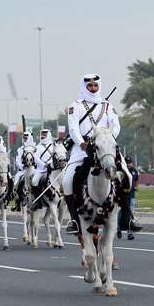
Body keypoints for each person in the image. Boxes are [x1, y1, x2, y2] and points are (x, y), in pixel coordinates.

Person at [62, 73, 121, 235]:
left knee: (127, 175)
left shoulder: (107, 105)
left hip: (105, 146)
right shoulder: (76, 105)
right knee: (67, 181)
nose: (93, 88)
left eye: (95, 86)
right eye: (90, 86)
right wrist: (81, 143)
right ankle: (74, 218)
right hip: (82, 147)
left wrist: (107, 138)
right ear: (84, 87)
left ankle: (128, 216)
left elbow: (116, 125)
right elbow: (73, 128)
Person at [117, 156, 142, 240]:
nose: (128, 164)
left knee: (130, 213)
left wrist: (137, 186)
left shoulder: (134, 170)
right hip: (124, 196)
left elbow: (136, 180)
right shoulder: (122, 171)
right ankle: (121, 229)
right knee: (123, 212)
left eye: (129, 162)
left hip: (132, 195)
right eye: (127, 163)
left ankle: (128, 231)